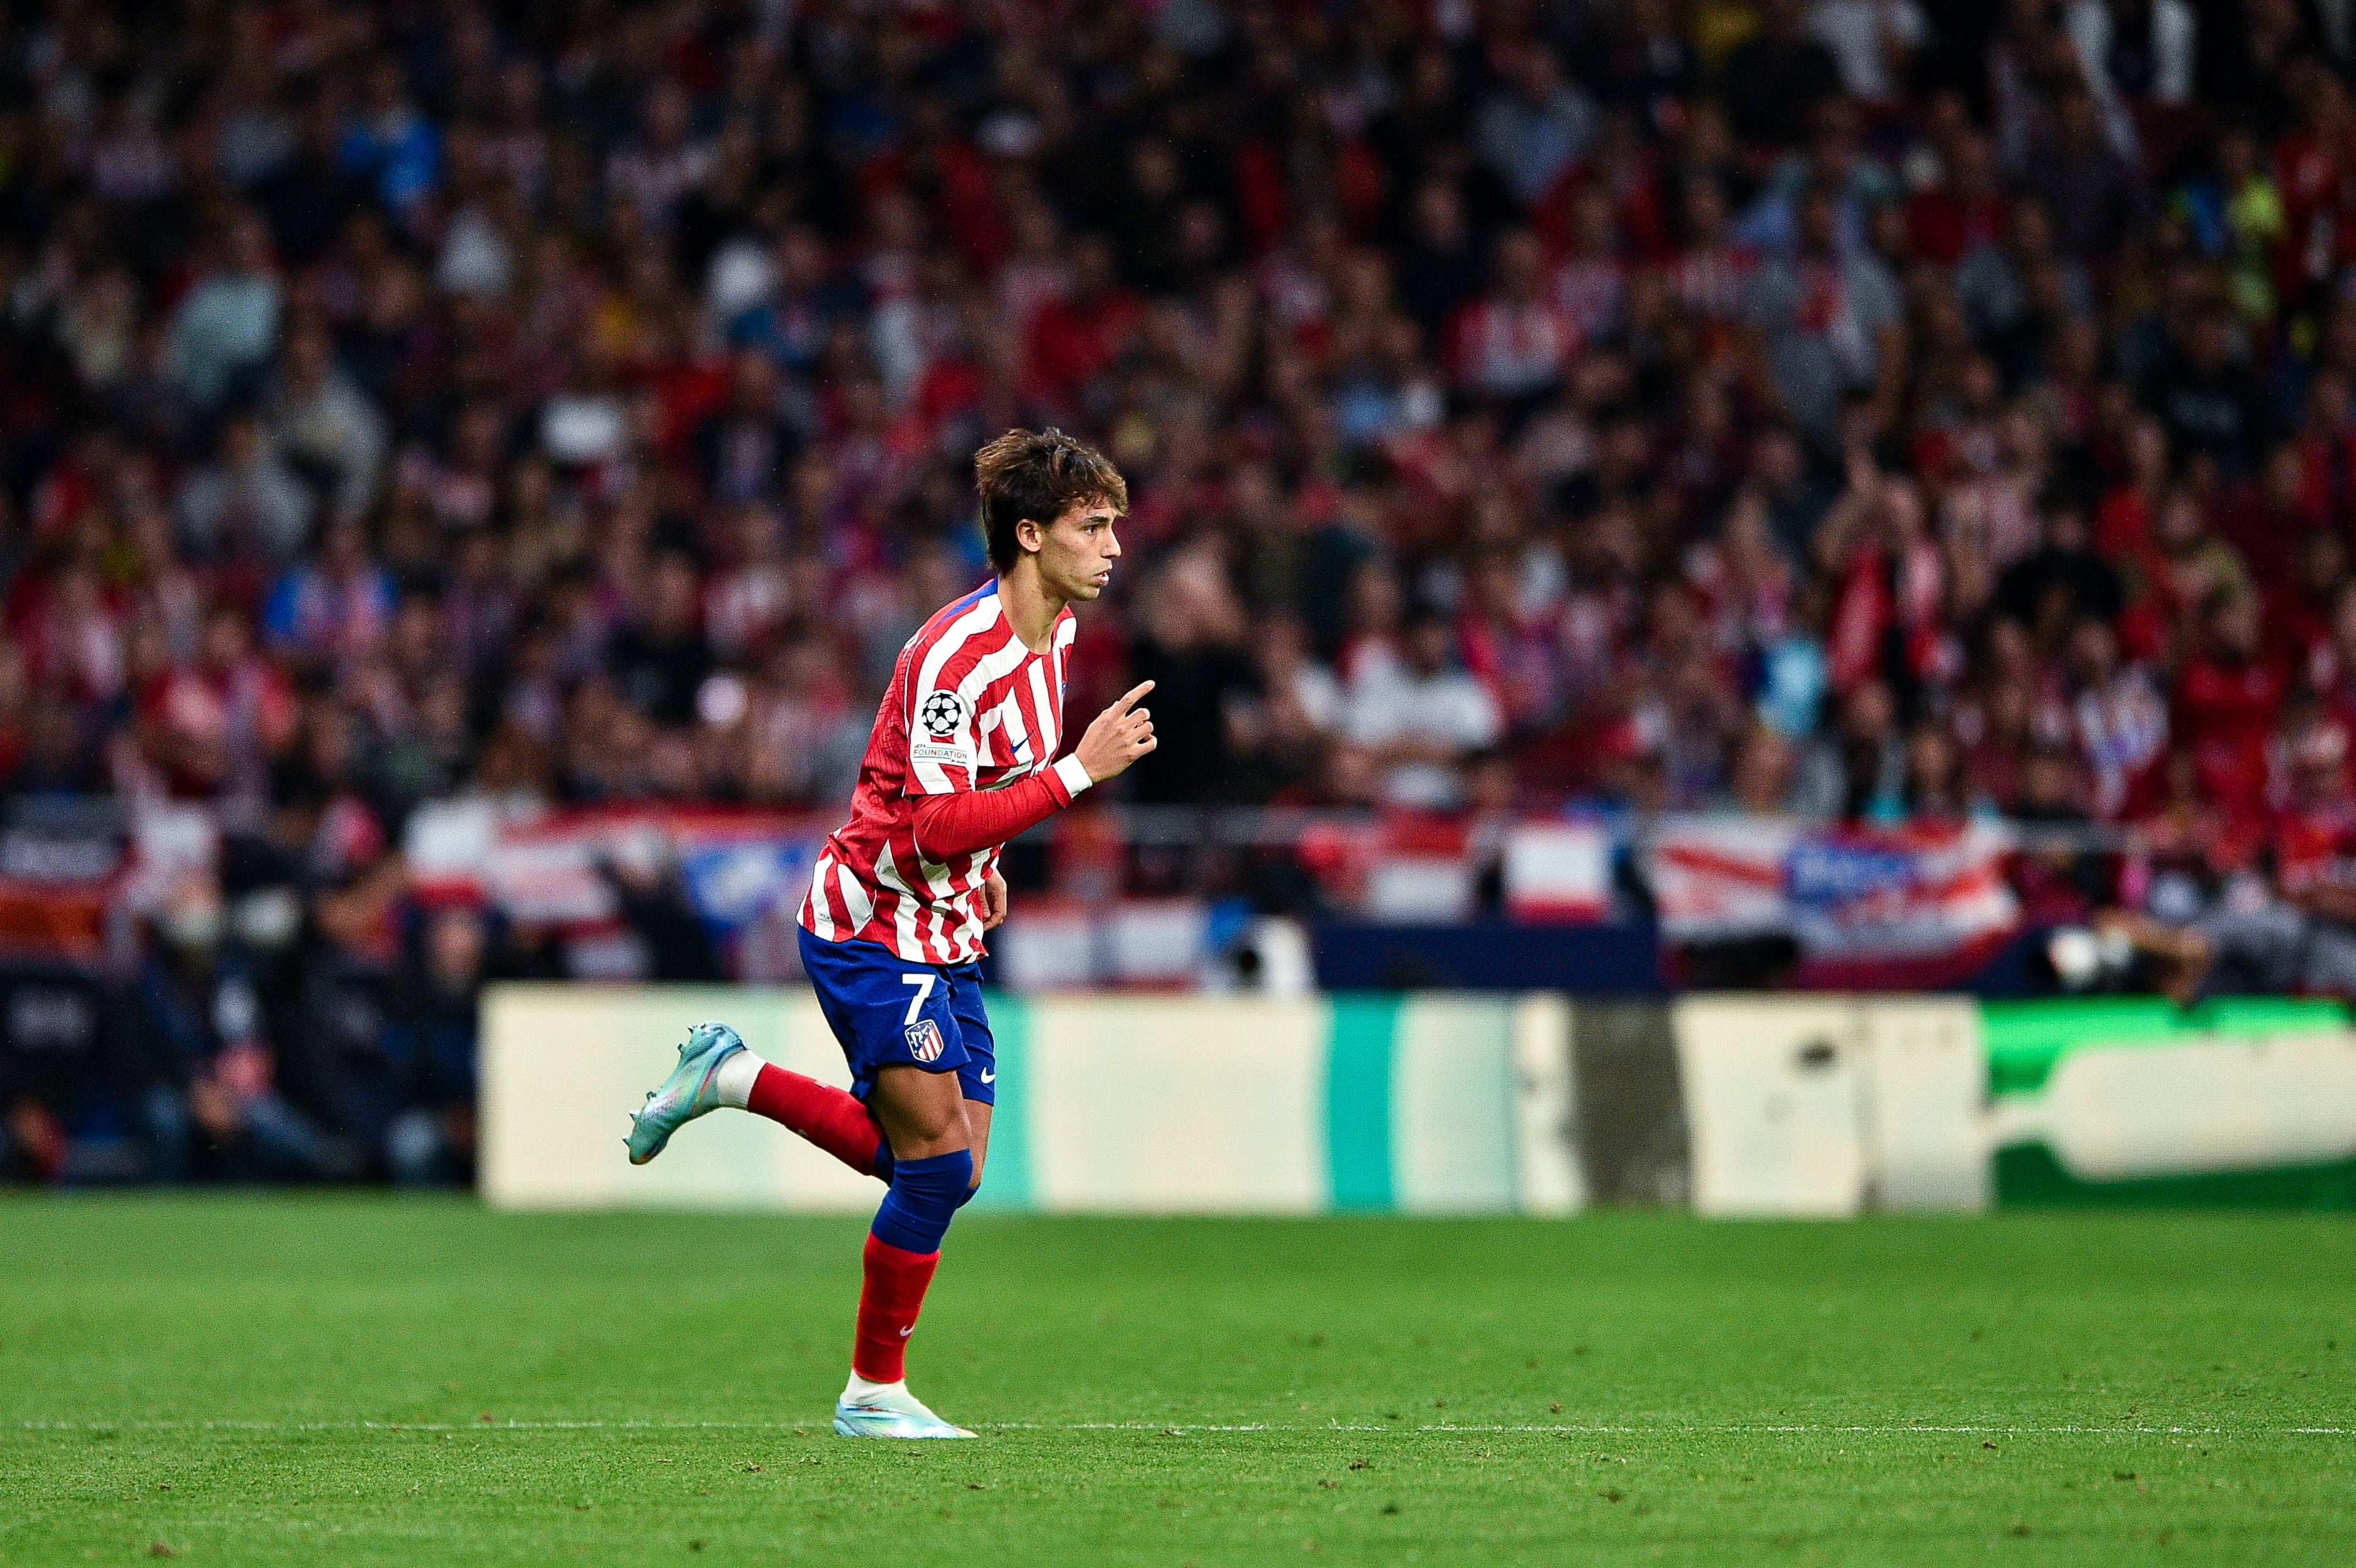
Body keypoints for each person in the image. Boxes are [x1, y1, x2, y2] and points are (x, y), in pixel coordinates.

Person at [619, 429, 1157, 1439]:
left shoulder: (1058, 642)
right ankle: (873, 1395)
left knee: (952, 1167)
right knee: (940, 1168)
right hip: (872, 925)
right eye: (1095, 526)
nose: (1115, 545)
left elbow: (977, 803)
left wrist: (986, 874)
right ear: (1031, 536)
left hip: (945, 925)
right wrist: (1079, 774)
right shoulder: (959, 657)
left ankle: (731, 1078)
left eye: (1115, 524)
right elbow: (927, 825)